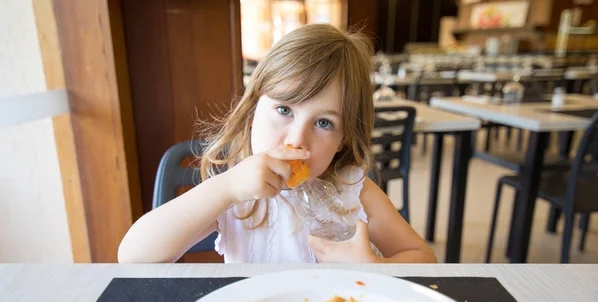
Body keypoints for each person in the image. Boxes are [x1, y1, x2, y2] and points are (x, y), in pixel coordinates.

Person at [118, 24, 436, 264]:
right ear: (254, 107)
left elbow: (423, 258)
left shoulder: (354, 192)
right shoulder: (235, 194)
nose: (297, 139)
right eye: (284, 110)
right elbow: (134, 256)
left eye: (324, 123)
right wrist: (227, 188)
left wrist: (377, 267)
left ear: (344, 141)